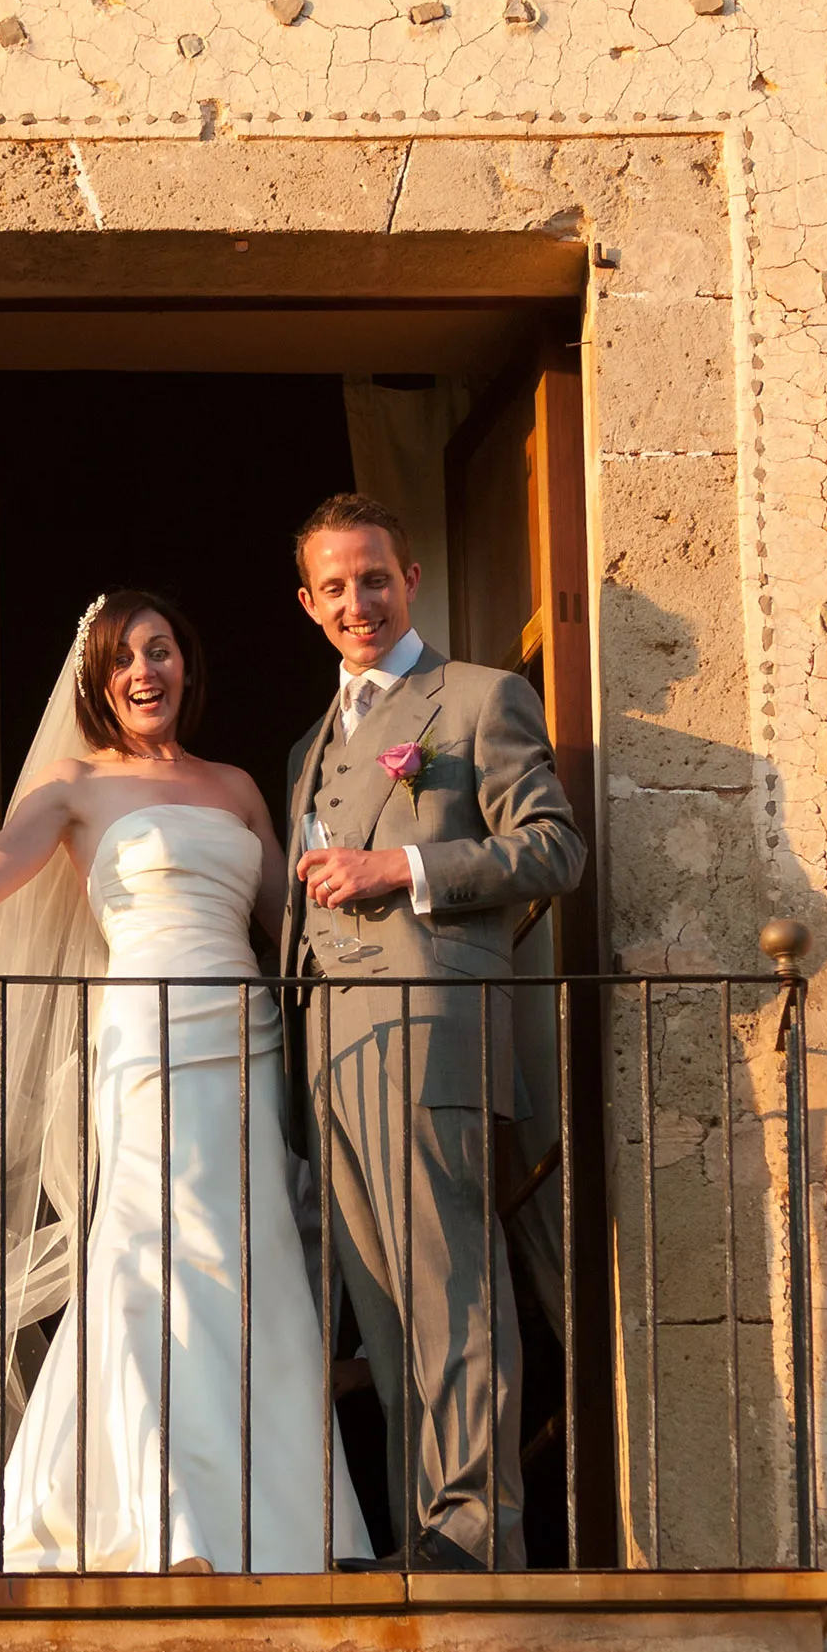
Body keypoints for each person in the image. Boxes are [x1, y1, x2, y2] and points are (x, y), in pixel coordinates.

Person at [0, 590, 370, 1574]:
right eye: (126, 657)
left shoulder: (235, 788)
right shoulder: (72, 787)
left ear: (187, 665)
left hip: (246, 1035)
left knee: (250, 1257)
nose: (147, 672)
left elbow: (293, 926)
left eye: (163, 650)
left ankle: (280, 1525)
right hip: (144, 1039)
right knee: (151, 1256)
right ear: (97, 679)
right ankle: (164, 1517)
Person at [280, 493, 585, 1572]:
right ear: (309, 604)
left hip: (432, 1027)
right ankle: (423, 1532)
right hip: (331, 1049)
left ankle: (476, 1535)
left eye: (375, 578)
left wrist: (402, 867)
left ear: (410, 579)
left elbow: (553, 849)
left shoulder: (479, 698)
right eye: (335, 586)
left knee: (449, 1285)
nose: (357, 601)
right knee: (383, 1300)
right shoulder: (306, 747)